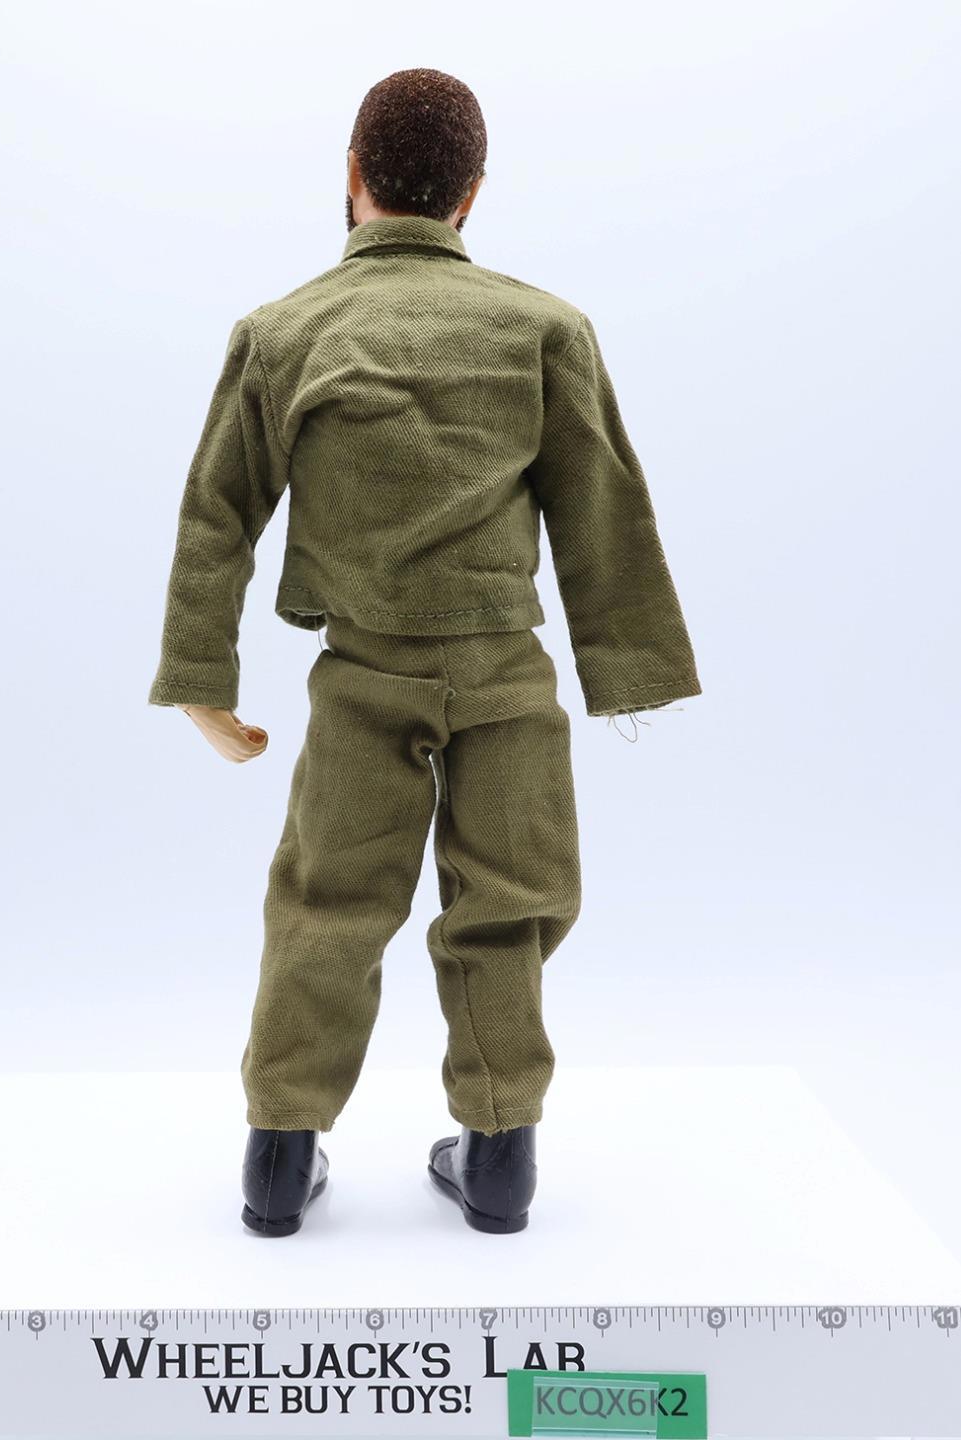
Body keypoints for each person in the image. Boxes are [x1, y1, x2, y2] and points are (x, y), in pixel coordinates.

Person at [149, 68, 701, 1236]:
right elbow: (601, 509)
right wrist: (631, 678)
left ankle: (278, 1158)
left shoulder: (283, 331)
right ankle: (501, 1157)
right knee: (509, 905)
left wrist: (203, 679)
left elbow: (217, 512)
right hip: (505, 679)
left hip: (363, 677)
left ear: (352, 176)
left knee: (327, 905)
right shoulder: (543, 328)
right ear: (472, 195)